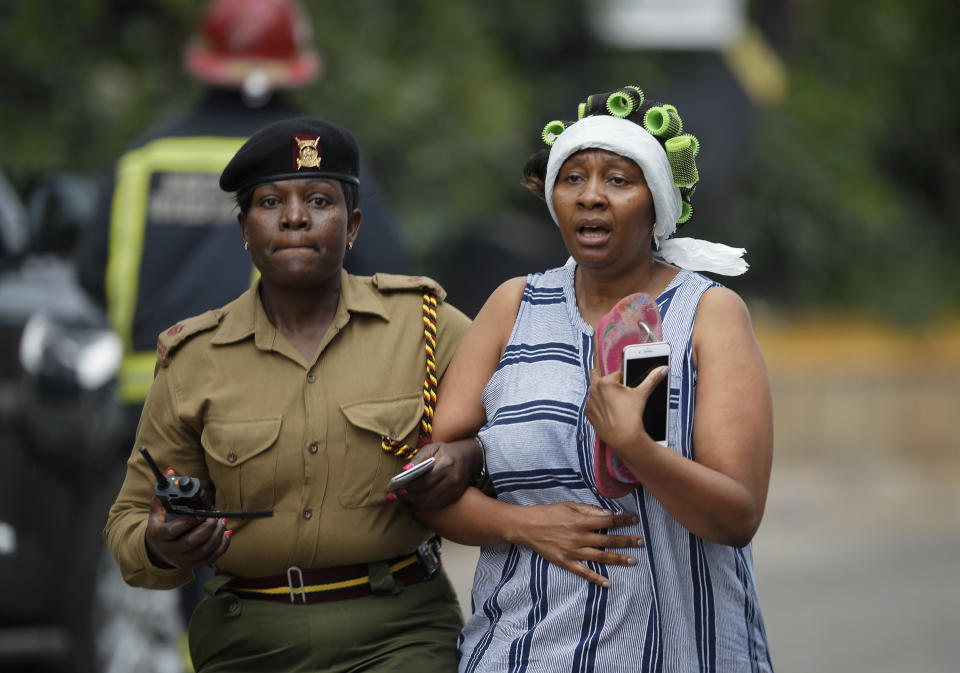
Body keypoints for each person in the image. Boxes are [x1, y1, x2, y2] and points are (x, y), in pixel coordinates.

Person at [408, 85, 775, 672]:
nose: (591, 198)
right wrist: (522, 524)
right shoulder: (513, 306)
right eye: (573, 178)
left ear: (656, 202)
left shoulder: (708, 314)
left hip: (681, 652)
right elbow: (429, 485)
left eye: (619, 181)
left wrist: (635, 446)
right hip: (524, 651)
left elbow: (737, 517)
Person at [104, 117, 475, 672]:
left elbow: (522, 443)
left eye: (319, 200)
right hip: (249, 636)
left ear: (352, 227)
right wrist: (162, 542)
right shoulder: (193, 357)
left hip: (400, 627)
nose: (296, 217)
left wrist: (469, 457)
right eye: (272, 202)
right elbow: (131, 521)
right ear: (244, 230)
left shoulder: (426, 325)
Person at [76, 0, 406, 415]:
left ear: (206, 58)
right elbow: (385, 274)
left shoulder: (142, 160)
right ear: (294, 64)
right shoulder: (317, 160)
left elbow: (90, 274)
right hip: (264, 410)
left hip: (145, 408)